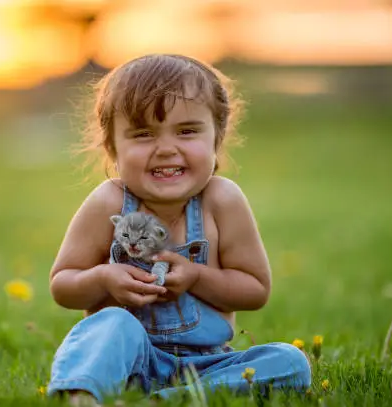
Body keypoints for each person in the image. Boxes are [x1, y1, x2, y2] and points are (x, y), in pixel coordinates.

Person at [46, 54, 311, 405]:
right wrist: (103, 280)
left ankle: (171, 398)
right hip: (131, 362)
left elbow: (255, 290)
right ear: (113, 147)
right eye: (142, 134)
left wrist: (197, 277)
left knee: (290, 362)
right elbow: (63, 284)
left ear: (217, 136)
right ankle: (82, 393)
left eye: (187, 131)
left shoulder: (222, 201)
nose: (166, 149)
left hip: (208, 363)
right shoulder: (109, 202)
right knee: (112, 324)